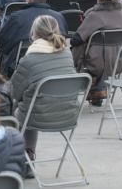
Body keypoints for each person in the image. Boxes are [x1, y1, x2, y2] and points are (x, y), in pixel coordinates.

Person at [11, 15, 76, 166]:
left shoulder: (29, 60)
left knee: (16, 103)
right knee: (30, 102)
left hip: (39, 117)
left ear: (34, 33)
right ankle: (29, 152)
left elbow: (14, 92)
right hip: (68, 115)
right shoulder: (67, 54)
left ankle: (19, 153)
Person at [70, 0, 122, 105]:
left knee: (79, 45)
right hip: (116, 62)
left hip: (94, 62)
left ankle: (88, 87)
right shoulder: (121, 13)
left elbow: (76, 39)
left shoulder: (94, 14)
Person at [0, 0, 68, 78]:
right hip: (53, 66)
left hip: (22, 68)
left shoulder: (17, 17)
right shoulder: (59, 17)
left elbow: (0, 43)